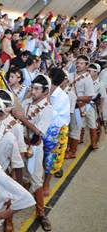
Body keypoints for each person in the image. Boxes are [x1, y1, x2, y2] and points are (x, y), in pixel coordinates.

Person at [11, 74, 53, 231]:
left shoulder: (47, 109)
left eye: (37, 89)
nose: (33, 91)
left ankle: (41, 213)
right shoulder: (27, 102)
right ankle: (20, 201)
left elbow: (38, 131)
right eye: (32, 88)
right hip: (21, 145)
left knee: (36, 180)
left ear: (45, 92)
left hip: (34, 147)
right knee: (18, 174)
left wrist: (21, 118)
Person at [42, 68, 70, 197]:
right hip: (39, 129)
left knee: (50, 159)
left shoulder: (62, 97)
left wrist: (47, 104)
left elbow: (61, 120)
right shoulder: (42, 90)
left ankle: (46, 184)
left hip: (54, 132)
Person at [65, 55, 95, 159]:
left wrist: (75, 97)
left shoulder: (88, 79)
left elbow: (89, 97)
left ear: (86, 65)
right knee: (67, 129)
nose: (78, 65)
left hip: (78, 107)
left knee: (75, 131)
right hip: (67, 106)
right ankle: (67, 147)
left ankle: (73, 152)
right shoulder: (71, 75)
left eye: (81, 63)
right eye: (77, 62)